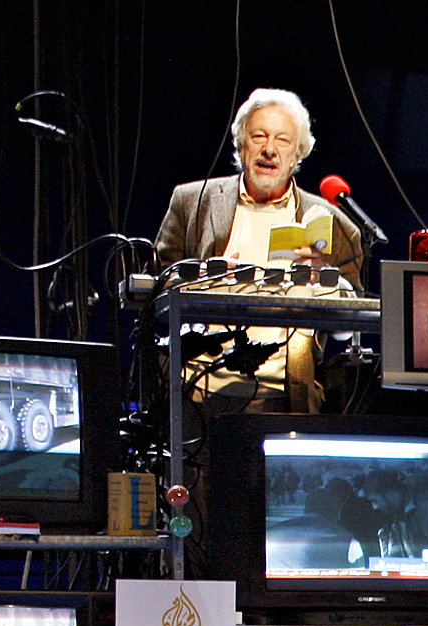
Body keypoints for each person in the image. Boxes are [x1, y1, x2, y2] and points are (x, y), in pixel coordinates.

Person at [153, 89, 370, 412]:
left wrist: (324, 279)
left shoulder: (335, 222)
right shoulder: (192, 202)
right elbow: (156, 293)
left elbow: (347, 329)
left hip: (286, 397)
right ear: (241, 144)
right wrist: (202, 280)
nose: (269, 149)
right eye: (259, 136)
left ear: (298, 153)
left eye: (282, 140)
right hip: (195, 388)